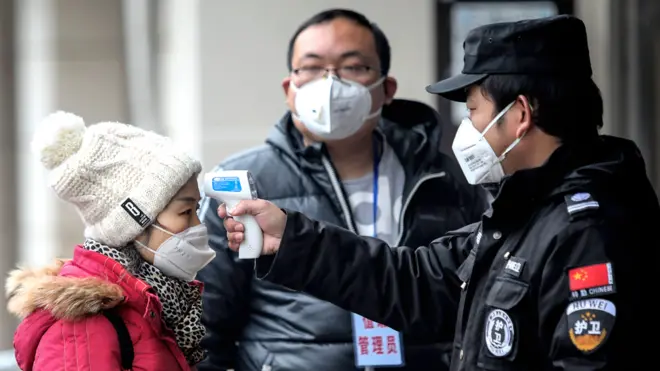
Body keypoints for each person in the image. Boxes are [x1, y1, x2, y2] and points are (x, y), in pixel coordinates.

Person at [219, 15, 659, 370]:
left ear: (519, 115)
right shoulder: (525, 212)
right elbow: (422, 283)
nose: (466, 128)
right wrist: (291, 240)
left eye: (473, 110)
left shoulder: (588, 230)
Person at [196, 8, 489, 371]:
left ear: (386, 89)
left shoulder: (447, 179)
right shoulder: (243, 183)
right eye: (312, 68)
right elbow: (206, 323)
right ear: (290, 89)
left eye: (353, 67)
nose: (331, 83)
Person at [6, 111, 213, 371]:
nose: (198, 225)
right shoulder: (81, 325)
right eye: (185, 212)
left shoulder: (157, 302)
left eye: (197, 210)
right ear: (135, 223)